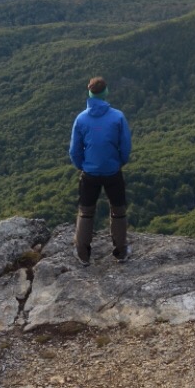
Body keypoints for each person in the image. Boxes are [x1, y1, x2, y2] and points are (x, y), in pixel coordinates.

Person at [69, 76, 132, 265]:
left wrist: (82, 166)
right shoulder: (118, 116)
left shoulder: (81, 119)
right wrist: (119, 162)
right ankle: (121, 252)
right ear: (106, 93)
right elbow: (126, 146)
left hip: (90, 173)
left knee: (86, 212)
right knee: (118, 210)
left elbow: (74, 150)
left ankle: (83, 254)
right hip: (113, 171)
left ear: (90, 93)